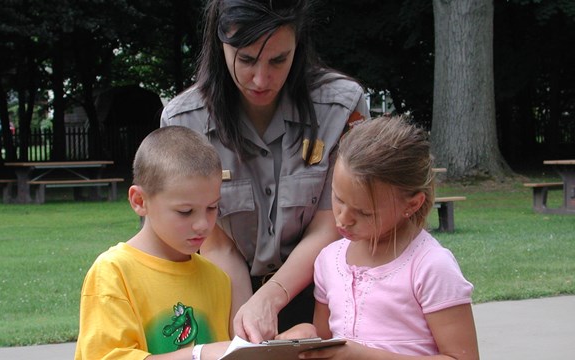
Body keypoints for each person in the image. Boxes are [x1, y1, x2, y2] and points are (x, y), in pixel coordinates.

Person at [160, 0, 371, 343]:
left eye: (278, 59)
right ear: (221, 45)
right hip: (228, 290)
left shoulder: (343, 107)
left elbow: (331, 225)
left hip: (324, 294)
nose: (261, 79)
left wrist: (271, 297)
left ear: (298, 45)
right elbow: (217, 246)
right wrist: (248, 332)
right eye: (245, 59)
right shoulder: (184, 121)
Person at [278, 116, 479, 359]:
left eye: (364, 212)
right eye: (338, 198)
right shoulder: (329, 260)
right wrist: (307, 334)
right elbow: (327, 342)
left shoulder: (430, 266)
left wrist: (364, 356)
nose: (343, 219)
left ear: (412, 204)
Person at [74, 126, 232, 360]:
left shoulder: (217, 278)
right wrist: (198, 354)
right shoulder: (114, 272)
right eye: (185, 211)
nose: (203, 224)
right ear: (139, 200)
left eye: (212, 207)